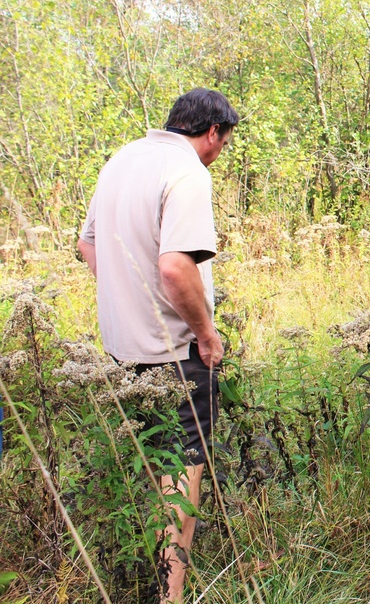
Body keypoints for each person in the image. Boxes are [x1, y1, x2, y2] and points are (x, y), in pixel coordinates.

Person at [78, 88, 238, 603]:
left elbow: (87, 242)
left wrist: (124, 295)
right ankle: (168, 596)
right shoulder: (188, 170)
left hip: (121, 351)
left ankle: (138, 577)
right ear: (211, 132)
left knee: (146, 465)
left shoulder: (121, 160)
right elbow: (174, 266)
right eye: (224, 141)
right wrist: (208, 334)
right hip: (175, 354)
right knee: (180, 476)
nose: (220, 151)